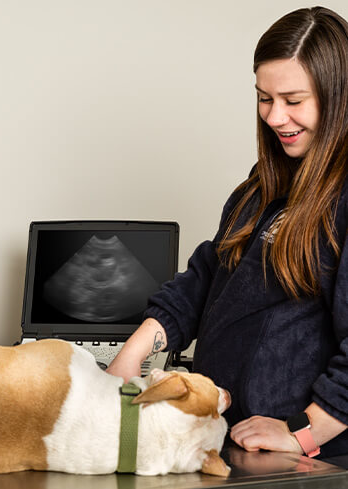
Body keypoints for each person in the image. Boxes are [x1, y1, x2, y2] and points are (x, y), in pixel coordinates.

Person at [108, 6, 348, 459]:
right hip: (231, 441)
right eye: (264, 98)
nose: (275, 117)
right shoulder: (263, 184)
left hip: (304, 461)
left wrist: (303, 432)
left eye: (293, 101)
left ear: (339, 97)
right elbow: (208, 277)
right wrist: (131, 356)